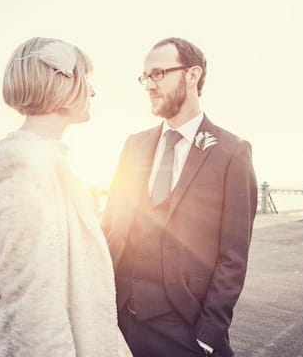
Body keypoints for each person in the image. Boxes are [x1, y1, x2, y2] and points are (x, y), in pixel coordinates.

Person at [0, 37, 131, 357]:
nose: (92, 92)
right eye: (85, 80)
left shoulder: (43, 158)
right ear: (61, 84)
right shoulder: (22, 163)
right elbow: (32, 299)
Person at [102, 37, 257, 357]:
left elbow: (234, 255)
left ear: (192, 74)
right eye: (146, 76)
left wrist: (207, 335)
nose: (149, 84)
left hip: (183, 331)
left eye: (159, 73)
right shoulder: (134, 145)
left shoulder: (231, 152)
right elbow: (110, 227)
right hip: (119, 326)